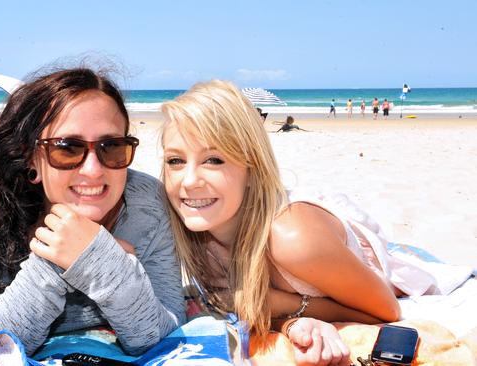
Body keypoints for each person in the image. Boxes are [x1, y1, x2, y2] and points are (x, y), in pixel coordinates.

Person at [160, 80, 426, 364]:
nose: (188, 181)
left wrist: (277, 303)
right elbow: (250, 311)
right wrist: (288, 322)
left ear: (252, 168)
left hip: (341, 250)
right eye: (175, 161)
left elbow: (386, 310)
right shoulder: (189, 228)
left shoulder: (293, 239)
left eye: (213, 160)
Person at [0, 68, 185, 357]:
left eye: (111, 147)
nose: (93, 170)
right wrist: (58, 259)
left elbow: (166, 336)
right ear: (31, 157)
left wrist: (105, 264)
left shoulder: (148, 207)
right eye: (67, 148)